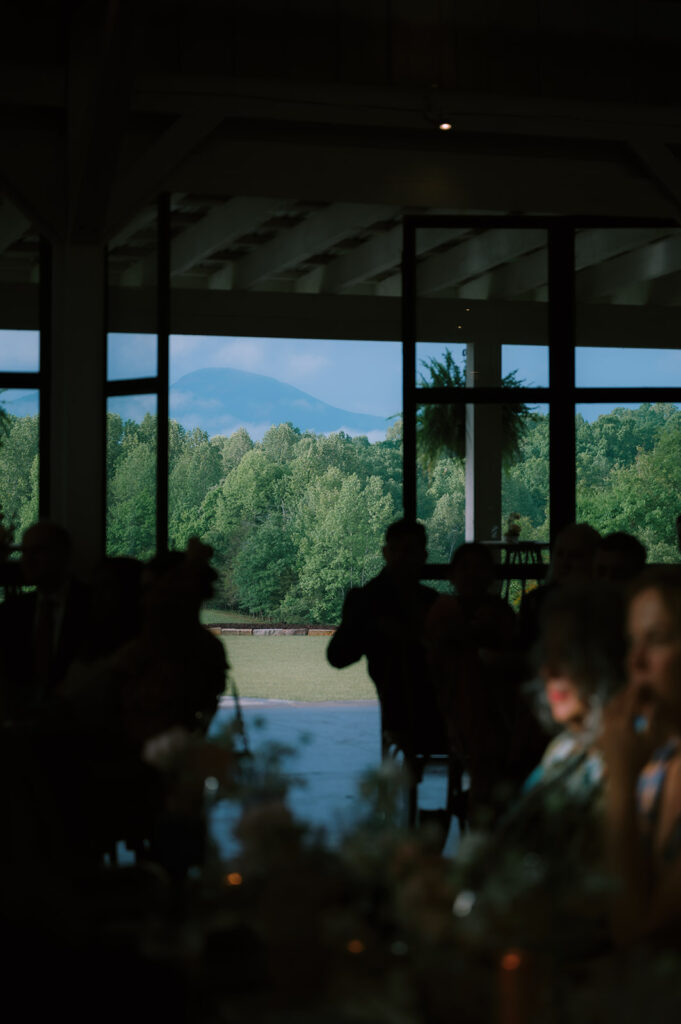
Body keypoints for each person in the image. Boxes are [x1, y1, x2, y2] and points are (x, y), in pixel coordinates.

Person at [600, 567, 681, 945]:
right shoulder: (662, 759)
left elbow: (636, 943)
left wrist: (619, 779)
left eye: (658, 640)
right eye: (633, 643)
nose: (636, 662)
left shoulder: (637, 765)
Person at [328, 519, 443, 758]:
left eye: (408, 551)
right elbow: (338, 655)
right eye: (397, 550)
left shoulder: (368, 598)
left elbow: (337, 656)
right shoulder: (428, 601)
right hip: (413, 705)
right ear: (386, 553)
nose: (402, 558)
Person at [0, 520, 90, 720]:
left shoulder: (92, 604)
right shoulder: (11, 611)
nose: (27, 560)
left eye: (38, 551)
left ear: (64, 554)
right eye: (24, 552)